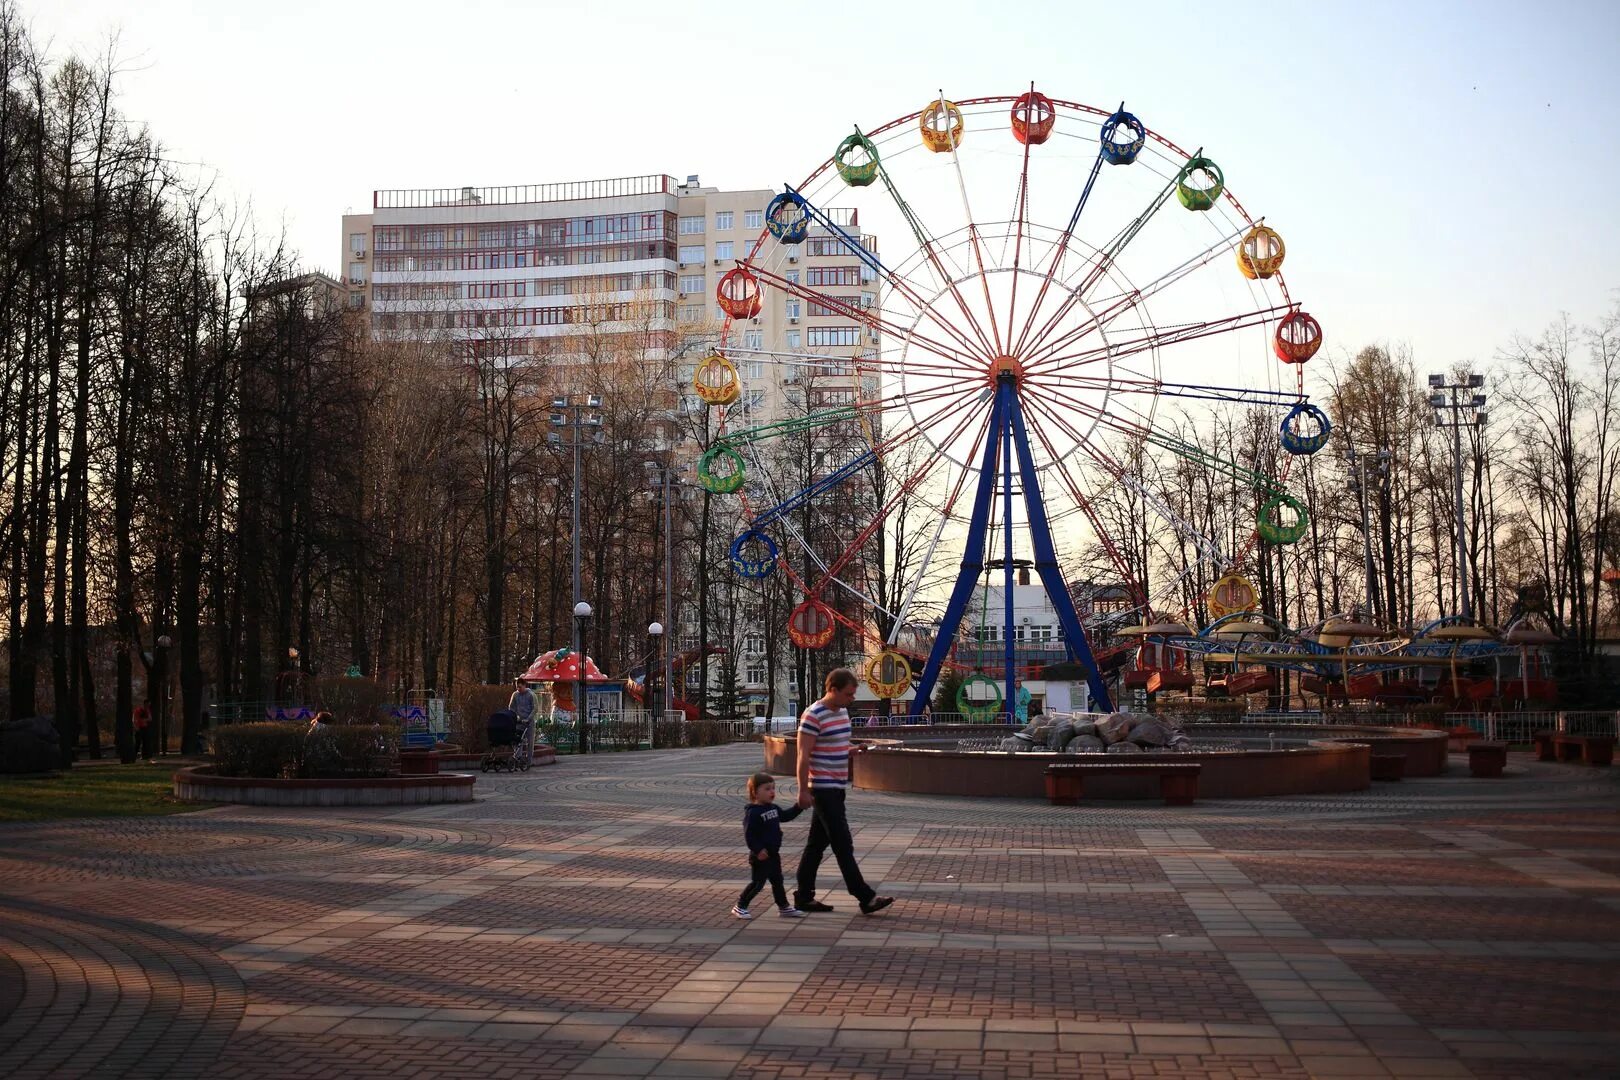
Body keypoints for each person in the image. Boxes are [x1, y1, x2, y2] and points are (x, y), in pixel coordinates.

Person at [793, 669, 895, 916]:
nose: (851, 699)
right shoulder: (813, 715)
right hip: (822, 788)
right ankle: (865, 897)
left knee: (816, 845)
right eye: (848, 694)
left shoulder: (841, 713)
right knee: (842, 843)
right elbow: (802, 755)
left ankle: (803, 896)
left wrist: (852, 750)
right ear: (833, 690)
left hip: (837, 788)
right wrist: (803, 790)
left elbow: (834, 744)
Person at [732, 772, 809, 920]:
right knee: (758, 883)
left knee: (778, 881)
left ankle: (784, 907)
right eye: (767, 789)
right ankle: (740, 906)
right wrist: (758, 850)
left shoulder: (772, 808)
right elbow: (750, 835)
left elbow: (786, 816)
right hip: (761, 856)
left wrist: (799, 806)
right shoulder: (753, 813)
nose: (772, 792)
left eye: (773, 788)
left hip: (773, 854)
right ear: (755, 792)